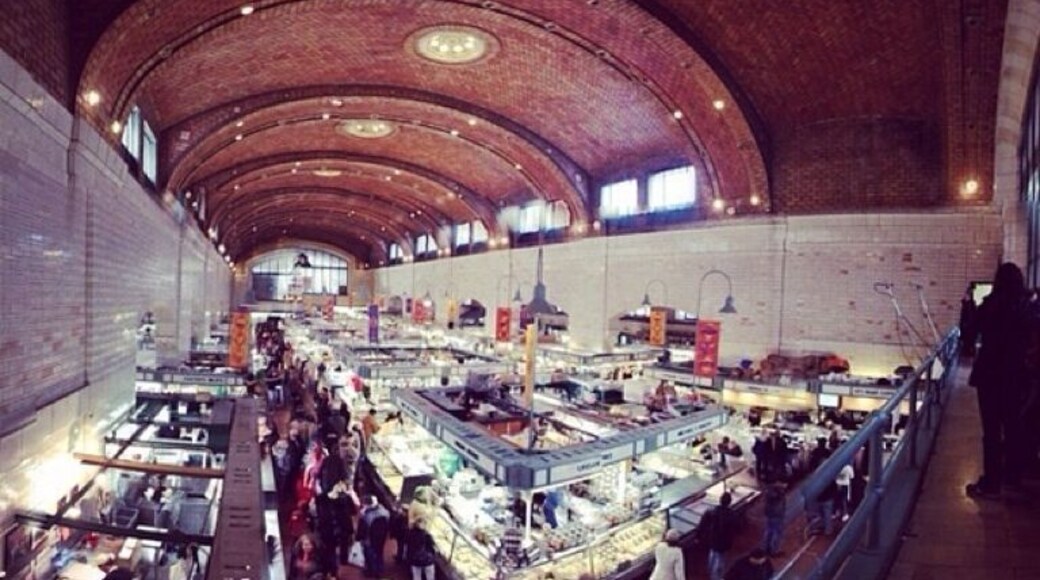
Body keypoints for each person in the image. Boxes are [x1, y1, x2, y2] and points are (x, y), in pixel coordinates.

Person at [967, 263, 1031, 497]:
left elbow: (969, 333)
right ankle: (1013, 478)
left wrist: (968, 306)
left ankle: (992, 483)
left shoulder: (990, 306)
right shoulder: (1024, 308)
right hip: (1015, 375)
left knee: (991, 430)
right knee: (1013, 427)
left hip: (990, 375)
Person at [702, 492, 735, 580]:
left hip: (713, 538)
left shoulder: (713, 511)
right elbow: (734, 528)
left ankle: (710, 572)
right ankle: (716, 577)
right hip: (724, 541)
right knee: (720, 559)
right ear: (729, 502)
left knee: (712, 554)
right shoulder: (731, 514)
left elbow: (704, 522)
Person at [357, 495, 390, 578]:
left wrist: (358, 538)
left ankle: (371, 571)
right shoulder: (385, 511)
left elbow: (362, 529)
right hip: (382, 538)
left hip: (369, 539)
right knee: (379, 552)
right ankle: (380, 569)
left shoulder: (365, 515)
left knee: (369, 555)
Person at [761, 482, 785, 557]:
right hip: (776, 515)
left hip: (769, 514)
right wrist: (780, 488)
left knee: (768, 531)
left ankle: (766, 548)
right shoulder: (777, 493)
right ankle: (774, 551)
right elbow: (780, 497)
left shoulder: (768, 491)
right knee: (777, 533)